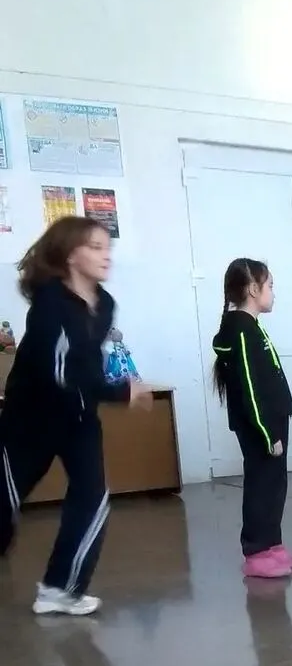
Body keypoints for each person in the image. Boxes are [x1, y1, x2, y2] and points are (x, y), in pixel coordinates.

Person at [0, 217, 155, 615]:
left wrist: (116, 385)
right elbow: (61, 373)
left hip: (80, 418)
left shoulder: (105, 305)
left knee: (92, 498)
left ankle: (60, 589)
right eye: (96, 247)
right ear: (71, 255)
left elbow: (87, 366)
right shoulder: (50, 304)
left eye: (108, 248)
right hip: (31, 419)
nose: (107, 256)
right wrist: (121, 391)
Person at [212, 258, 292, 579]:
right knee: (261, 486)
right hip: (262, 426)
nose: (273, 292)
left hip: (273, 420)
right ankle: (256, 552)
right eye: (270, 285)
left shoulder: (250, 325)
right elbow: (249, 387)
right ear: (252, 290)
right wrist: (266, 433)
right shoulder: (241, 330)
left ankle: (272, 544)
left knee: (275, 484)